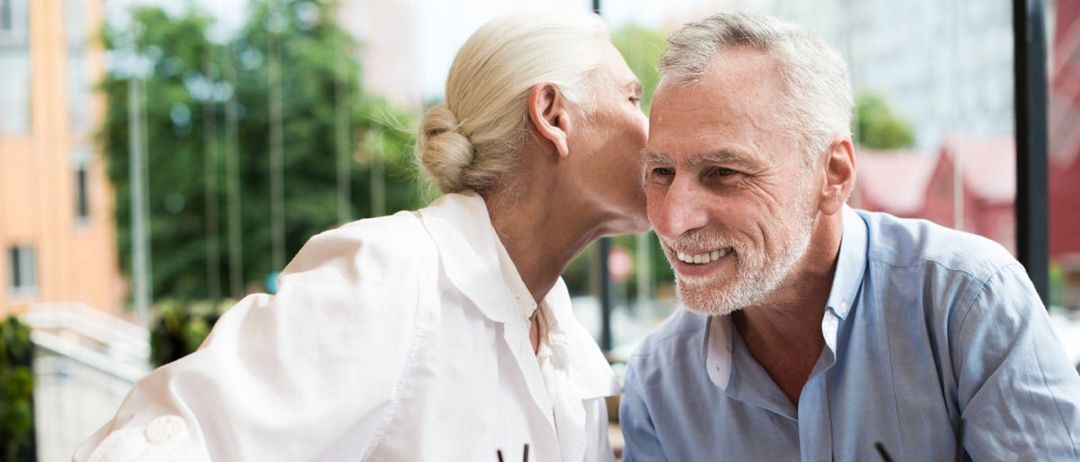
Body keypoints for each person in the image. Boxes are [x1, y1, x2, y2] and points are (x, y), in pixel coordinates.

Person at [76, 11, 649, 462]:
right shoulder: (395, 275)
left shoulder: (558, 332)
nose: (652, 128)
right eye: (631, 97)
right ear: (552, 113)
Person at [619, 12, 1080, 461]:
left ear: (833, 175)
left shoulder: (968, 303)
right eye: (660, 171)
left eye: (723, 172)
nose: (672, 219)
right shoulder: (659, 384)